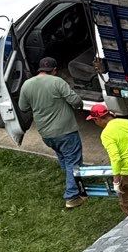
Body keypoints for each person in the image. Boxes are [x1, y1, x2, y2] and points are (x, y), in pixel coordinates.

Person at [19, 56, 86, 208]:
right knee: (73, 161)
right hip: (65, 131)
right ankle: (72, 196)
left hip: (46, 134)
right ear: (54, 70)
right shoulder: (57, 82)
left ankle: (72, 179)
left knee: (64, 157)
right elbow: (75, 101)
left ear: (40, 70)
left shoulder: (26, 85)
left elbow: (23, 107)